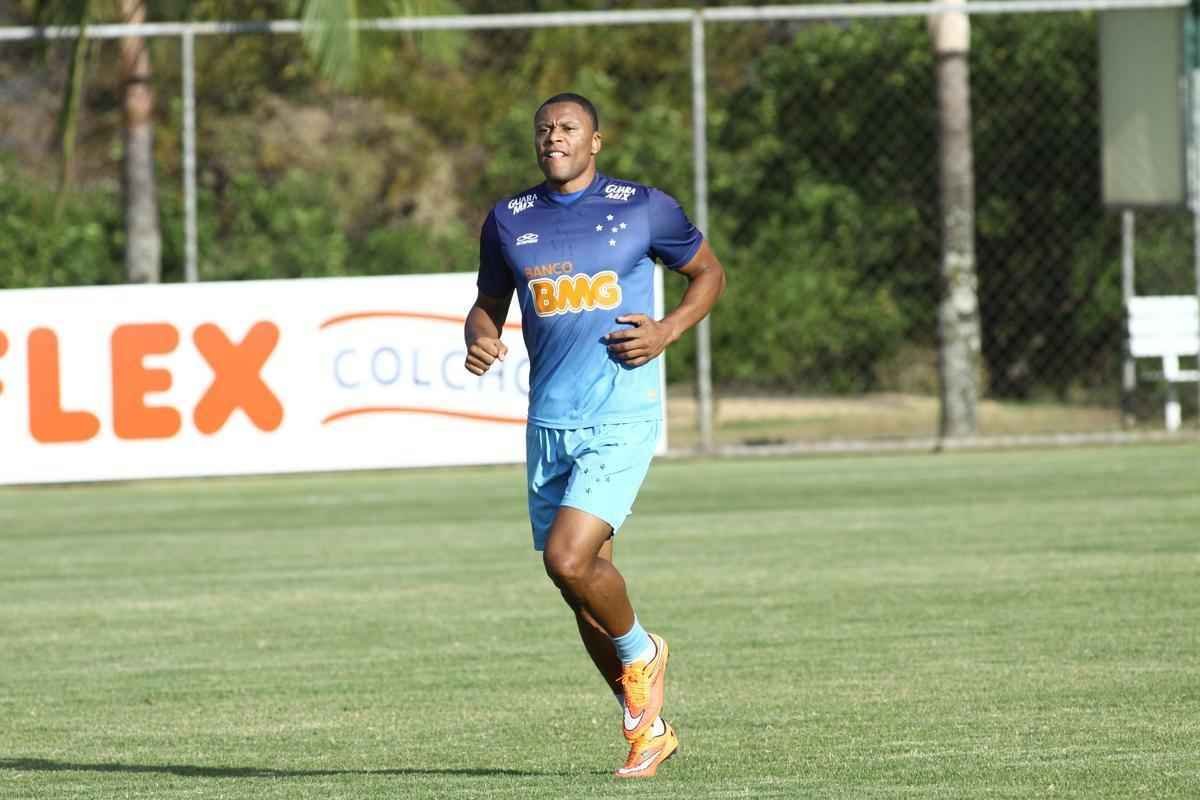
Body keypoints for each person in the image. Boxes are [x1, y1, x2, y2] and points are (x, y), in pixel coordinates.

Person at [464, 92, 725, 779]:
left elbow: (708, 274)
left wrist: (667, 330)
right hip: (549, 420)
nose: (554, 137)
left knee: (568, 558)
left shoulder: (643, 207)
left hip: (621, 413)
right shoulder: (508, 221)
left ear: (595, 141)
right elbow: (487, 306)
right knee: (580, 587)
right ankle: (647, 727)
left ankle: (643, 651)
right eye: (544, 129)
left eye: (568, 127)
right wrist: (481, 337)